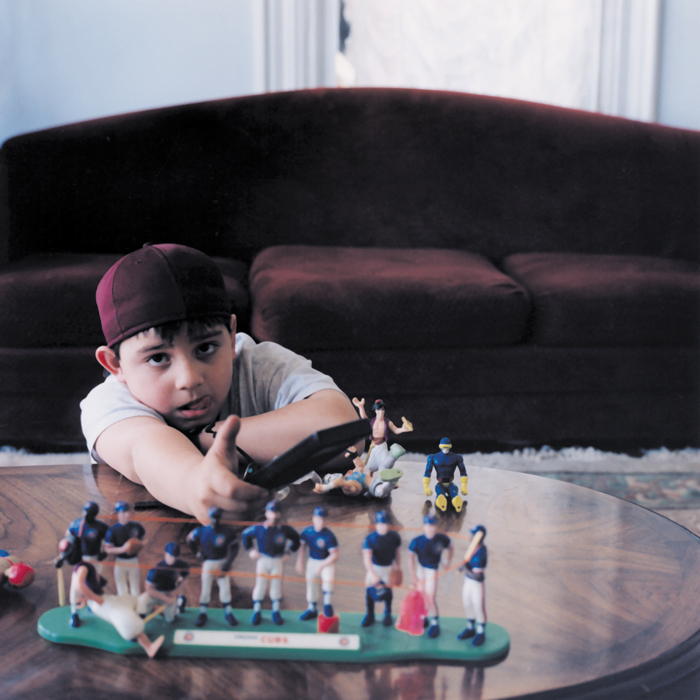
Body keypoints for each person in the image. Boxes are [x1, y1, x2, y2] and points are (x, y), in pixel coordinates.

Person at [80, 243, 359, 523]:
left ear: (232, 335)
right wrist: (198, 486)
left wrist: (204, 437)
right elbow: (143, 448)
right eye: (158, 358)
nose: (189, 379)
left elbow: (346, 432)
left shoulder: (260, 363)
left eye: (205, 348)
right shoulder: (108, 403)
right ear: (114, 364)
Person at [60, 535, 164, 658]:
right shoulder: (82, 567)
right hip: (100, 602)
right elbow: (79, 586)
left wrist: (85, 598)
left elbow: (82, 586)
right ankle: (149, 647)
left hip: (102, 599)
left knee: (131, 600)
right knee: (125, 618)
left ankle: (156, 611)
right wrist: (94, 598)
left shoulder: (80, 567)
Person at [242, 500, 300, 626]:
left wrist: (288, 553)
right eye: (271, 512)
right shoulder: (259, 528)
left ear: (279, 514)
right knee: (260, 585)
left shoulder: (284, 529)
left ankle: (276, 611)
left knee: (276, 585)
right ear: (267, 513)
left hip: (277, 560)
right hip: (263, 559)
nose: (273, 515)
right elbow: (245, 535)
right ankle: (257, 610)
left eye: (276, 512)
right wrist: (251, 550)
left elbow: (296, 539)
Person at [186, 506, 239, 627]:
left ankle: (228, 612)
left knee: (225, 588)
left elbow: (235, 547)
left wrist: (228, 562)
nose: (215, 520)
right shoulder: (202, 530)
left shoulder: (226, 531)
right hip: (208, 562)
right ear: (209, 517)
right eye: (213, 517)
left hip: (221, 562)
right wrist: (198, 553)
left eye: (217, 517)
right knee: (205, 588)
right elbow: (189, 540)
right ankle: (203, 612)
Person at [408, 514, 453, 639]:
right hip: (421, 569)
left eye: (433, 525)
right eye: (428, 525)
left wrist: (447, 561)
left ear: (436, 526)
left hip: (432, 570)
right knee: (421, 596)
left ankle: (435, 623)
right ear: (424, 526)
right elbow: (410, 557)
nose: (430, 528)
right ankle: (424, 618)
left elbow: (451, 547)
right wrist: (413, 575)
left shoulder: (442, 539)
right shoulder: (417, 541)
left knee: (430, 597)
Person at [295, 506, 339, 620]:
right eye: (319, 518)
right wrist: (299, 561)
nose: (321, 522)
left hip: (326, 561)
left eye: (323, 519)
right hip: (313, 560)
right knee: (311, 583)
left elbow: (335, 555)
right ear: (313, 518)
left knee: (328, 581)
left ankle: (327, 604)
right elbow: (302, 547)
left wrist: (322, 565)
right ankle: (312, 608)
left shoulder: (329, 535)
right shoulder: (306, 531)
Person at [361, 510, 402, 627]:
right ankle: (370, 615)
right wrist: (373, 575)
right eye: (380, 524)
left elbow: (397, 554)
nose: (383, 526)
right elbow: (367, 559)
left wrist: (398, 568)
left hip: (388, 568)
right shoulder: (370, 538)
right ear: (376, 525)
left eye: (385, 524)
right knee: (369, 590)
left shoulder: (394, 537)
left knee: (388, 592)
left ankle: (387, 614)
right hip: (374, 567)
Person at [137, 542, 190, 624]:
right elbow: (149, 590)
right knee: (142, 601)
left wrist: (175, 592)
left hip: (170, 593)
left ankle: (179, 603)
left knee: (170, 620)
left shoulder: (182, 565)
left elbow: (185, 580)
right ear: (165, 554)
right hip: (156, 593)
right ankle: (153, 608)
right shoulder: (156, 569)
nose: (173, 559)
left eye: (175, 556)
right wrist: (165, 599)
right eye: (170, 556)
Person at [104, 501, 146, 596]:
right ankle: (124, 601)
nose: (126, 514)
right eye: (123, 512)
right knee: (121, 587)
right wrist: (123, 548)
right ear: (118, 514)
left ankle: (135, 602)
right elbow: (108, 549)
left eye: (127, 511)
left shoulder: (136, 526)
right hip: (120, 561)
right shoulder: (113, 530)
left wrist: (138, 545)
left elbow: (144, 540)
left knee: (135, 586)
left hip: (133, 560)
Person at [458, 525, 488, 646]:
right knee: (467, 603)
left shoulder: (482, 552)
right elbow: (467, 560)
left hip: (476, 584)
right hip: (468, 581)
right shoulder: (472, 547)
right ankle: (470, 628)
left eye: (473, 535)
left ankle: (481, 632)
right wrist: (462, 566)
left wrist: (465, 568)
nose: (470, 536)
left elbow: (477, 576)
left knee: (478, 606)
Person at [423, 438, 468, 512]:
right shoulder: (433, 457)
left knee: (454, 492)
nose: (445, 448)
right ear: (440, 446)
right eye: (444, 446)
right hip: (440, 483)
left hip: (451, 483)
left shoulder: (457, 457)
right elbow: (427, 472)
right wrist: (426, 487)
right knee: (440, 492)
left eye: (447, 446)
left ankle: (457, 503)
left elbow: (463, 471)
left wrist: (464, 486)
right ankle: (441, 503)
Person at [66, 501, 109, 575]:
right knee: (78, 578)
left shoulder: (101, 527)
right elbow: (68, 538)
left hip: (94, 557)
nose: (86, 514)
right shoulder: (75, 524)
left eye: (90, 513)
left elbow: (110, 540)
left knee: (95, 578)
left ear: (95, 513)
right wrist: (68, 553)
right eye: (85, 511)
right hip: (79, 557)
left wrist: (105, 553)